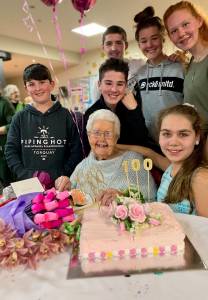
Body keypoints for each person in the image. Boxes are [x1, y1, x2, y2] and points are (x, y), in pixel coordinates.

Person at [5, 63, 83, 191]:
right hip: (27, 186)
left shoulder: (67, 116)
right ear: (26, 88)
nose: (37, 88)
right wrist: (28, 175)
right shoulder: (19, 118)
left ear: (52, 84)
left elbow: (76, 151)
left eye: (42, 82)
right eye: (31, 84)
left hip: (61, 186)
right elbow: (10, 151)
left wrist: (61, 175)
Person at [70, 109, 156, 203]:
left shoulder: (133, 161)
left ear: (116, 138)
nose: (102, 139)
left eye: (108, 134)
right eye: (96, 133)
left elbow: (151, 200)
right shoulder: (82, 167)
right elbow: (70, 199)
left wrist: (123, 199)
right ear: (88, 136)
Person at [84, 58, 156, 155]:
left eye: (120, 84)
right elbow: (96, 149)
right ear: (99, 85)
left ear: (126, 86)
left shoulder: (131, 104)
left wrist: (134, 109)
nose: (114, 89)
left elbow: (142, 139)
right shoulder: (92, 114)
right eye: (108, 83)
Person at [134, 6, 184, 141]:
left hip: (178, 141)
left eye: (154, 38)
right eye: (143, 41)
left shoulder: (180, 67)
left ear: (162, 38)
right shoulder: (139, 74)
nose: (149, 44)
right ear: (139, 44)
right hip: (151, 142)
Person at [163, 1, 208, 135]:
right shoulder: (190, 63)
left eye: (185, 24)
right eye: (174, 31)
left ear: (199, 21)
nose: (181, 33)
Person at [157, 104, 208, 217]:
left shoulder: (200, 177)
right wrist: (117, 147)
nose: (173, 142)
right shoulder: (171, 166)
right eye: (166, 134)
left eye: (183, 134)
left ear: (197, 137)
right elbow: (150, 154)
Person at [91, 25, 145, 102]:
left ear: (125, 45)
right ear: (103, 47)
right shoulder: (98, 81)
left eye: (118, 43)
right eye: (109, 44)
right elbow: (98, 110)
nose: (114, 48)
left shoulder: (139, 65)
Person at [0, 93, 15, 191]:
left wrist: (1, 129)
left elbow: (14, 124)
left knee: (7, 183)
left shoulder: (4, 103)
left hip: (4, 151)